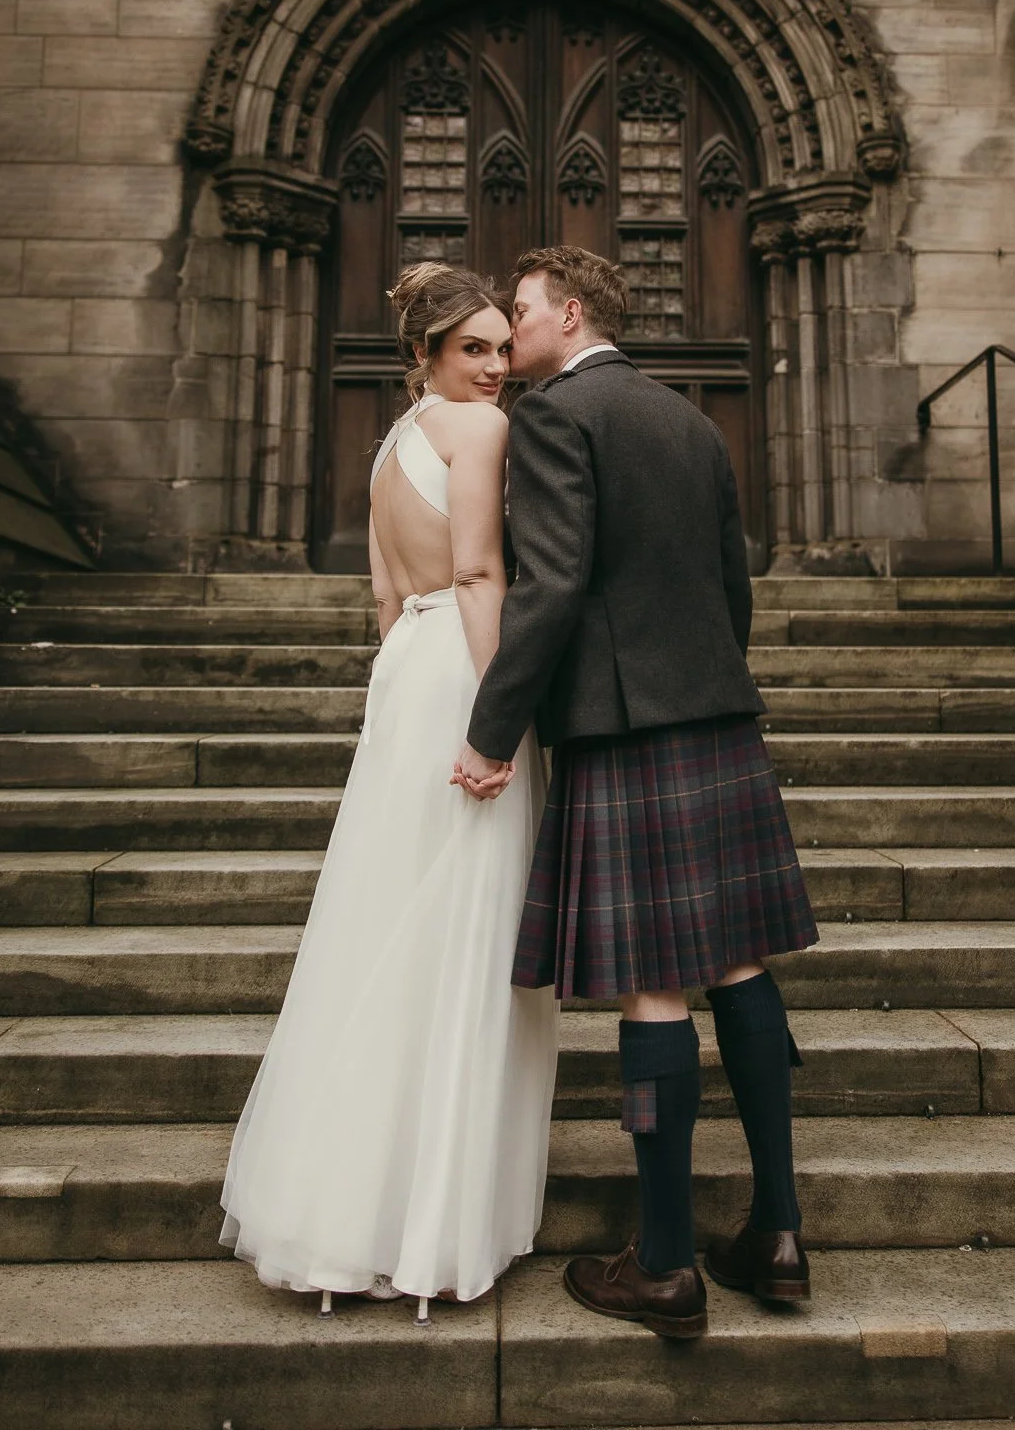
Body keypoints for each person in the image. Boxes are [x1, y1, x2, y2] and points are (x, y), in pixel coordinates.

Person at [458, 245, 818, 1341]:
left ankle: (664, 1264)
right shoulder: (690, 421)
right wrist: (705, 681)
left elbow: (552, 584)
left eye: (521, 312)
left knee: (654, 985)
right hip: (713, 713)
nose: (509, 331)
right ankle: (778, 1233)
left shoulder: (555, 417)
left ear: (570, 314)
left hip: (624, 726)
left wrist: (491, 727)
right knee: (739, 963)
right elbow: (732, 585)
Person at [221, 264, 558, 1315]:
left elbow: (382, 590)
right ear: (426, 353)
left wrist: (405, 686)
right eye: (473, 349)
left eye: (501, 346)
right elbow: (480, 574)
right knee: (466, 933)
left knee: (385, 919)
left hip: (405, 668)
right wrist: (496, 717)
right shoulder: (481, 431)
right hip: (464, 667)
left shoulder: (391, 440)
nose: (496, 367)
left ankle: (345, 1199)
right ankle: (436, 1221)